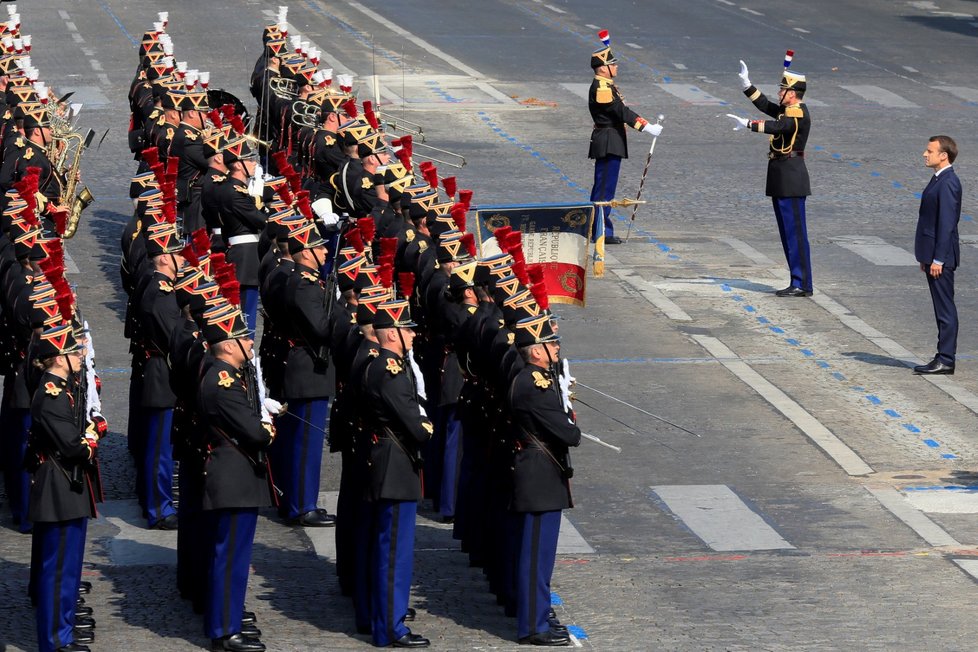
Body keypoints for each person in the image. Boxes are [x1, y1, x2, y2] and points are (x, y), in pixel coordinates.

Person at [197, 301, 276, 652]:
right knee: (230, 558)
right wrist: (267, 427)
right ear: (228, 344)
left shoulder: (222, 373)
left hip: (233, 476)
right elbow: (256, 433)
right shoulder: (224, 382)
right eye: (243, 337)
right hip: (233, 478)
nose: (250, 342)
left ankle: (225, 623)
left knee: (232, 557)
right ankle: (223, 631)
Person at [362, 299, 432, 648]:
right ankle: (390, 626)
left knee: (390, 550)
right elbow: (416, 426)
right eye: (407, 330)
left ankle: (386, 620)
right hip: (395, 466)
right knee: (394, 554)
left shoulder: (390, 364)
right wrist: (426, 426)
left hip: (392, 462)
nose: (413, 336)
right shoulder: (389, 370)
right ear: (391, 334)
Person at [28, 320, 101, 652]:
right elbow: (74, 447)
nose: (79, 355)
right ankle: (55, 640)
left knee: (67, 569)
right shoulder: (52, 395)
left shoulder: (63, 387)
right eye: (74, 351)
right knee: (59, 570)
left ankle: (63, 631)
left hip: (66, 487)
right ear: (59, 357)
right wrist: (92, 435)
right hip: (59, 487)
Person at [508, 314, 580, 646]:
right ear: (535, 351)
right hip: (539, 478)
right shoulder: (534, 385)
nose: (556, 347)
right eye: (550, 343)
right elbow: (568, 433)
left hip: (541, 475)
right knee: (536, 558)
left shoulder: (536, 378)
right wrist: (567, 412)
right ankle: (533, 625)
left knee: (539, 557)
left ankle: (536, 618)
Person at [728, 58, 812, 297]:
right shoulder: (788, 110)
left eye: (782, 90)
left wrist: (748, 125)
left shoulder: (796, 113)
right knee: (788, 234)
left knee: (795, 234)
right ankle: (797, 280)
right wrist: (747, 85)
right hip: (782, 176)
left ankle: (802, 283)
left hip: (791, 178)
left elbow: (778, 127)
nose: (779, 93)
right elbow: (765, 105)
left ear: (792, 94)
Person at [587, 30, 662, 245]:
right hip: (609, 140)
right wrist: (646, 127)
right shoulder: (601, 87)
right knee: (604, 189)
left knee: (605, 187)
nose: (616, 67)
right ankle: (601, 231)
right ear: (603, 67)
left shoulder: (606, 85)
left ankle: (599, 229)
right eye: (613, 64)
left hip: (612, 139)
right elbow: (619, 111)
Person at [913, 135, 962, 375]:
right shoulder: (938, 179)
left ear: (944, 155)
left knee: (945, 309)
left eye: (930, 150)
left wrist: (939, 259)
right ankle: (942, 356)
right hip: (932, 256)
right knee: (940, 307)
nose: (925, 154)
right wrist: (927, 257)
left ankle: (946, 358)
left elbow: (946, 224)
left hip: (941, 258)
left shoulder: (948, 182)